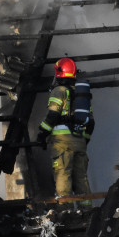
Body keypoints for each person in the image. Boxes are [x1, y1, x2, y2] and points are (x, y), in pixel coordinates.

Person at [37, 57, 95, 200]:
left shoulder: (59, 91)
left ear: (59, 72)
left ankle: (66, 210)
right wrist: (84, 140)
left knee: (63, 174)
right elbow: (91, 123)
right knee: (81, 178)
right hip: (80, 140)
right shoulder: (82, 95)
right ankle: (86, 211)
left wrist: (42, 134)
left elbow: (52, 116)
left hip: (62, 141)